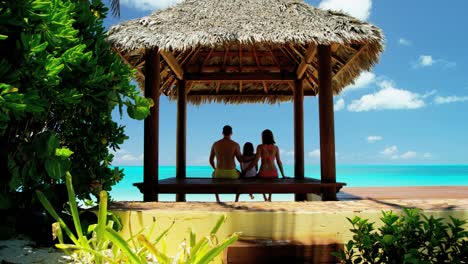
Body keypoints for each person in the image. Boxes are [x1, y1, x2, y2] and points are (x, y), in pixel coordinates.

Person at [243, 129, 286, 201]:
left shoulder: (260, 147)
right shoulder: (276, 148)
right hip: (274, 173)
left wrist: (246, 170)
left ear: (263, 137)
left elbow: (255, 161)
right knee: (271, 182)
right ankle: (269, 197)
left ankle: (264, 197)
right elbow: (279, 162)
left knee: (258, 179)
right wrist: (283, 175)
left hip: (263, 173)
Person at [209, 125, 242, 202]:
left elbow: (211, 160)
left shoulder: (216, 144)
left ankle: (217, 199)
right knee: (240, 175)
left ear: (222, 133)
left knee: (213, 175)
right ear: (231, 133)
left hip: (219, 173)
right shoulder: (235, 144)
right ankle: (236, 199)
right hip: (231, 173)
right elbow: (240, 159)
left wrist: (215, 168)